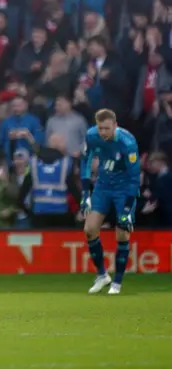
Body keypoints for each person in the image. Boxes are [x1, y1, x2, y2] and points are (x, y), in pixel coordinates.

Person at [80, 109, 140, 295]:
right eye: (100, 128)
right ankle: (102, 276)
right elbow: (86, 162)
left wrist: (127, 210)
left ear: (115, 125)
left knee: (122, 233)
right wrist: (85, 194)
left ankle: (117, 283)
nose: (103, 133)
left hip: (124, 189)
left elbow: (134, 179)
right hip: (103, 186)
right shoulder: (92, 136)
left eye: (106, 128)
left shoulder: (127, 143)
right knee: (89, 230)